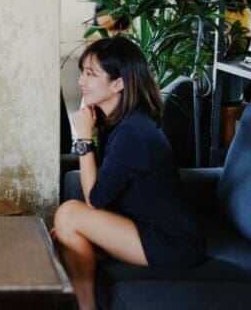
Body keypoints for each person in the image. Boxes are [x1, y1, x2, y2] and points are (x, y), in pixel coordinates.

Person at [52, 37, 204, 310]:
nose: (81, 82)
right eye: (82, 72)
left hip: (172, 242)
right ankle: (83, 303)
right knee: (66, 227)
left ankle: (86, 307)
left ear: (118, 84)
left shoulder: (133, 132)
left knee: (69, 213)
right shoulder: (118, 123)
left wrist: (84, 138)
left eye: (91, 74)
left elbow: (94, 199)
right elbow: (105, 192)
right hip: (142, 227)